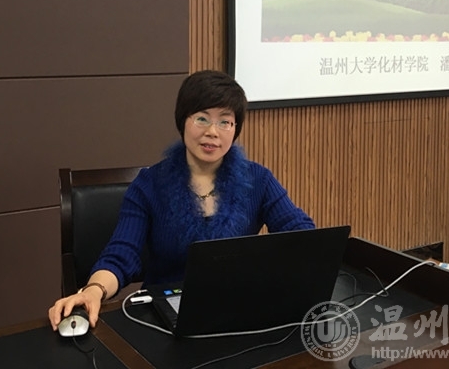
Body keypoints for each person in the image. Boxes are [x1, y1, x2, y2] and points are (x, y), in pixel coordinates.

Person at [48, 70, 315, 331]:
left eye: (225, 122)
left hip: (238, 310)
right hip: (164, 318)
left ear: (235, 129)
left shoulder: (258, 179)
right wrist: (93, 290)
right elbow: (121, 254)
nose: (213, 132)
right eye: (202, 118)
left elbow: (301, 234)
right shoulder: (150, 185)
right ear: (182, 121)